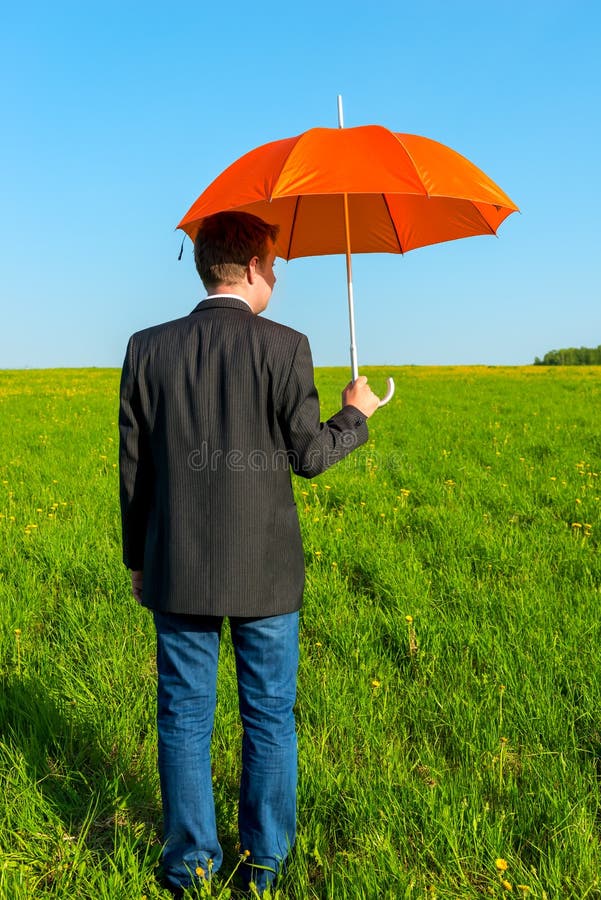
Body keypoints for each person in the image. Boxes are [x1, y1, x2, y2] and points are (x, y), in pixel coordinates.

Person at [119, 211, 380, 896]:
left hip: (176, 566)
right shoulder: (285, 345)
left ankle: (191, 868)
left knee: (182, 718)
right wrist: (355, 414)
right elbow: (309, 458)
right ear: (258, 267)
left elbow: (134, 469)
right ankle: (263, 867)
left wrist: (137, 559)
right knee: (267, 715)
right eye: (277, 267)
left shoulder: (147, 347)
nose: (278, 279)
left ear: (208, 266)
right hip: (266, 573)